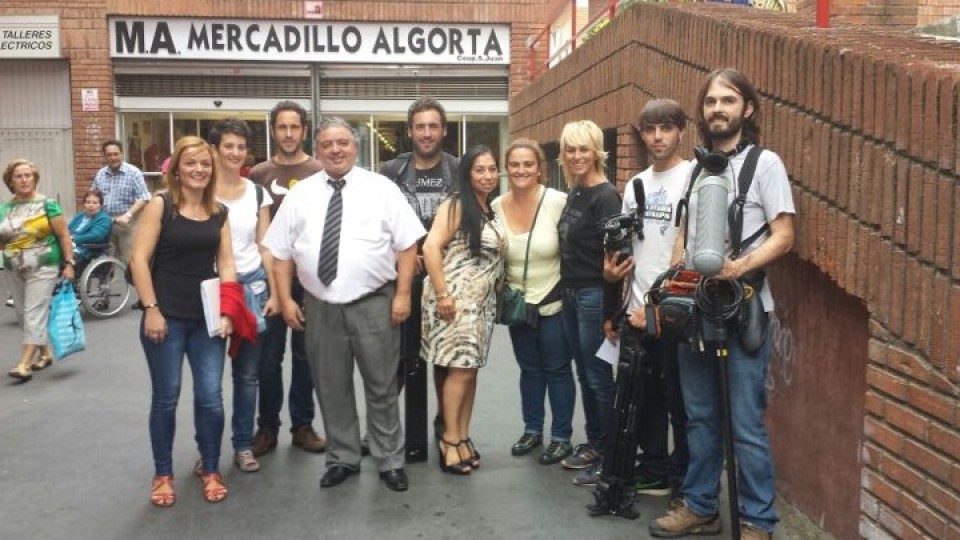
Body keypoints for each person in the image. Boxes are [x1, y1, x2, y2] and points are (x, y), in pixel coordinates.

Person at [649, 69, 795, 540]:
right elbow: (686, 236)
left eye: (728, 100)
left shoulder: (764, 164)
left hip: (746, 303)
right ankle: (701, 505)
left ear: (746, 109)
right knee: (700, 415)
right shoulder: (697, 168)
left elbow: (785, 235)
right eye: (710, 101)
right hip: (699, 308)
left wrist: (739, 266)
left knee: (746, 424)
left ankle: (758, 520)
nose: (717, 108)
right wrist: (674, 279)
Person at [262, 117, 424, 492]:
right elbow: (281, 253)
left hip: (375, 304)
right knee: (331, 386)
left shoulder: (381, 188)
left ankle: (389, 460)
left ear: (355, 146)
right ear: (317, 150)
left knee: (382, 386)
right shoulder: (301, 194)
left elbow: (407, 245)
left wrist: (402, 295)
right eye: (327, 144)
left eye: (343, 143)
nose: (335, 150)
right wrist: (285, 299)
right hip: (320, 307)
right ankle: (343, 457)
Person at [129, 136, 240, 507]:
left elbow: (226, 263)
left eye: (205, 164)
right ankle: (163, 474)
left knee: (210, 398)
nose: (199, 170)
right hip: (166, 317)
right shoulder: (161, 206)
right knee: (166, 398)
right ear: (177, 168)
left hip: (206, 318)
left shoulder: (219, 211)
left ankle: (209, 467)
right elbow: (139, 260)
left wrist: (227, 310)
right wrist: (151, 309)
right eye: (191, 163)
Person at [602, 99, 692, 501]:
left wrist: (658, 303)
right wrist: (617, 300)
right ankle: (655, 469)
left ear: (681, 130)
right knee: (646, 398)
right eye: (650, 130)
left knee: (682, 401)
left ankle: (686, 478)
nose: (657, 137)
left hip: (674, 309)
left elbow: (686, 246)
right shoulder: (636, 184)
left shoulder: (693, 177)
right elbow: (626, 253)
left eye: (666, 128)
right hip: (637, 310)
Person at [379, 96, 459, 458]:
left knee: (446, 359)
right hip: (404, 279)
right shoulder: (389, 173)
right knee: (396, 360)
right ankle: (383, 432)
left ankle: (447, 429)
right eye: (420, 126)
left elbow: (476, 219)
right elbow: (377, 224)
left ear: (443, 130)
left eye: (433, 126)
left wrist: (438, 254)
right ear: (410, 131)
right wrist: (409, 257)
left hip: (449, 278)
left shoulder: (460, 170)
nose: (427, 133)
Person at [248, 100, 326, 456]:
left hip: (308, 278)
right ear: (273, 131)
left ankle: (303, 425)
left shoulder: (320, 170)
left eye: (295, 127)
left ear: (305, 131)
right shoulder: (258, 175)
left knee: (307, 356)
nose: (289, 134)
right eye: (282, 127)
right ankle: (267, 427)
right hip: (267, 278)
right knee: (268, 358)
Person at [491, 139, 575, 465]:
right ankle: (532, 430)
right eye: (515, 164)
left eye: (528, 164)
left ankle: (562, 437)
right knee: (529, 369)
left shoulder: (557, 201)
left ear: (540, 167)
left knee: (556, 369)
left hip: (553, 301)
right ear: (506, 169)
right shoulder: (497, 206)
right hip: (518, 305)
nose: (521, 170)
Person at [421, 145, 504, 475]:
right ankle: (449, 440)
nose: (487, 175)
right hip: (454, 304)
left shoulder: (488, 209)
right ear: (467, 173)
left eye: (492, 169)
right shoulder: (456, 204)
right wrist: (443, 295)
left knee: (470, 372)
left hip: (479, 306)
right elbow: (430, 246)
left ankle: (463, 436)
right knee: (459, 371)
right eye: (479, 169)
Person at [556, 120, 623, 486]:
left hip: (594, 297)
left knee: (599, 379)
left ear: (597, 151)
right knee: (585, 373)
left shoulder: (605, 195)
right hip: (571, 294)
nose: (577, 156)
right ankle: (596, 443)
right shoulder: (576, 191)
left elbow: (616, 259)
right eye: (570, 149)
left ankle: (612, 456)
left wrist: (611, 313)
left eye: (584, 149)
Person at [209, 118, 277, 473]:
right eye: (228, 146)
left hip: (251, 286)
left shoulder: (257, 192)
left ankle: (242, 445)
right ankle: (208, 453)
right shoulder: (201, 190)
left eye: (240, 147)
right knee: (209, 379)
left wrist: (275, 292)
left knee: (248, 374)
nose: (235, 153)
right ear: (216, 149)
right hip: (210, 288)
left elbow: (265, 245)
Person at [1, 159, 75, 381]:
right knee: (23, 314)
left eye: (28, 175)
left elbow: (63, 236)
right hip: (13, 267)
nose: (24, 180)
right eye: (18, 176)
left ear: (35, 179)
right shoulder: (5, 208)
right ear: (10, 181)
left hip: (43, 265)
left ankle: (24, 364)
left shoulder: (47, 205)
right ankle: (44, 353)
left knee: (34, 312)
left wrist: (70, 263)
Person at [92, 139, 150, 263]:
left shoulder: (134, 173)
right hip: (107, 223)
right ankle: (112, 282)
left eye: (116, 154)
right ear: (105, 156)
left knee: (131, 261)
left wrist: (128, 215)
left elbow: (144, 197)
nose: (113, 158)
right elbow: (94, 197)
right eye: (109, 155)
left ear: (122, 154)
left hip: (128, 223)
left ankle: (133, 282)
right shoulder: (100, 174)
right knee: (108, 260)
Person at [68, 188, 112, 276]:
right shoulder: (80, 216)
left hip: (88, 250)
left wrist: (74, 239)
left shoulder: (104, 219)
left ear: (101, 205)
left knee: (66, 259)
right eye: (88, 202)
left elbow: (96, 236)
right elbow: (68, 230)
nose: (90, 205)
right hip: (71, 246)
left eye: (95, 203)